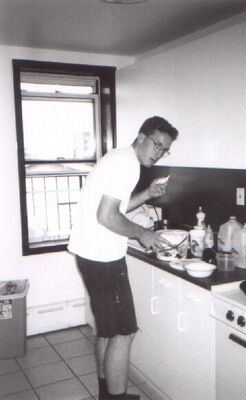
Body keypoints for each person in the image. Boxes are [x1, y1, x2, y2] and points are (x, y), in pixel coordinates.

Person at [68, 116, 178, 400]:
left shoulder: (119, 157)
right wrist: (143, 233)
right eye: (156, 144)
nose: (158, 152)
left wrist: (147, 194)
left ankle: (107, 393)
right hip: (103, 259)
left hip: (90, 254)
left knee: (107, 330)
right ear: (141, 137)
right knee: (123, 333)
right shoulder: (127, 164)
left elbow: (115, 206)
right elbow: (106, 216)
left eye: (164, 149)